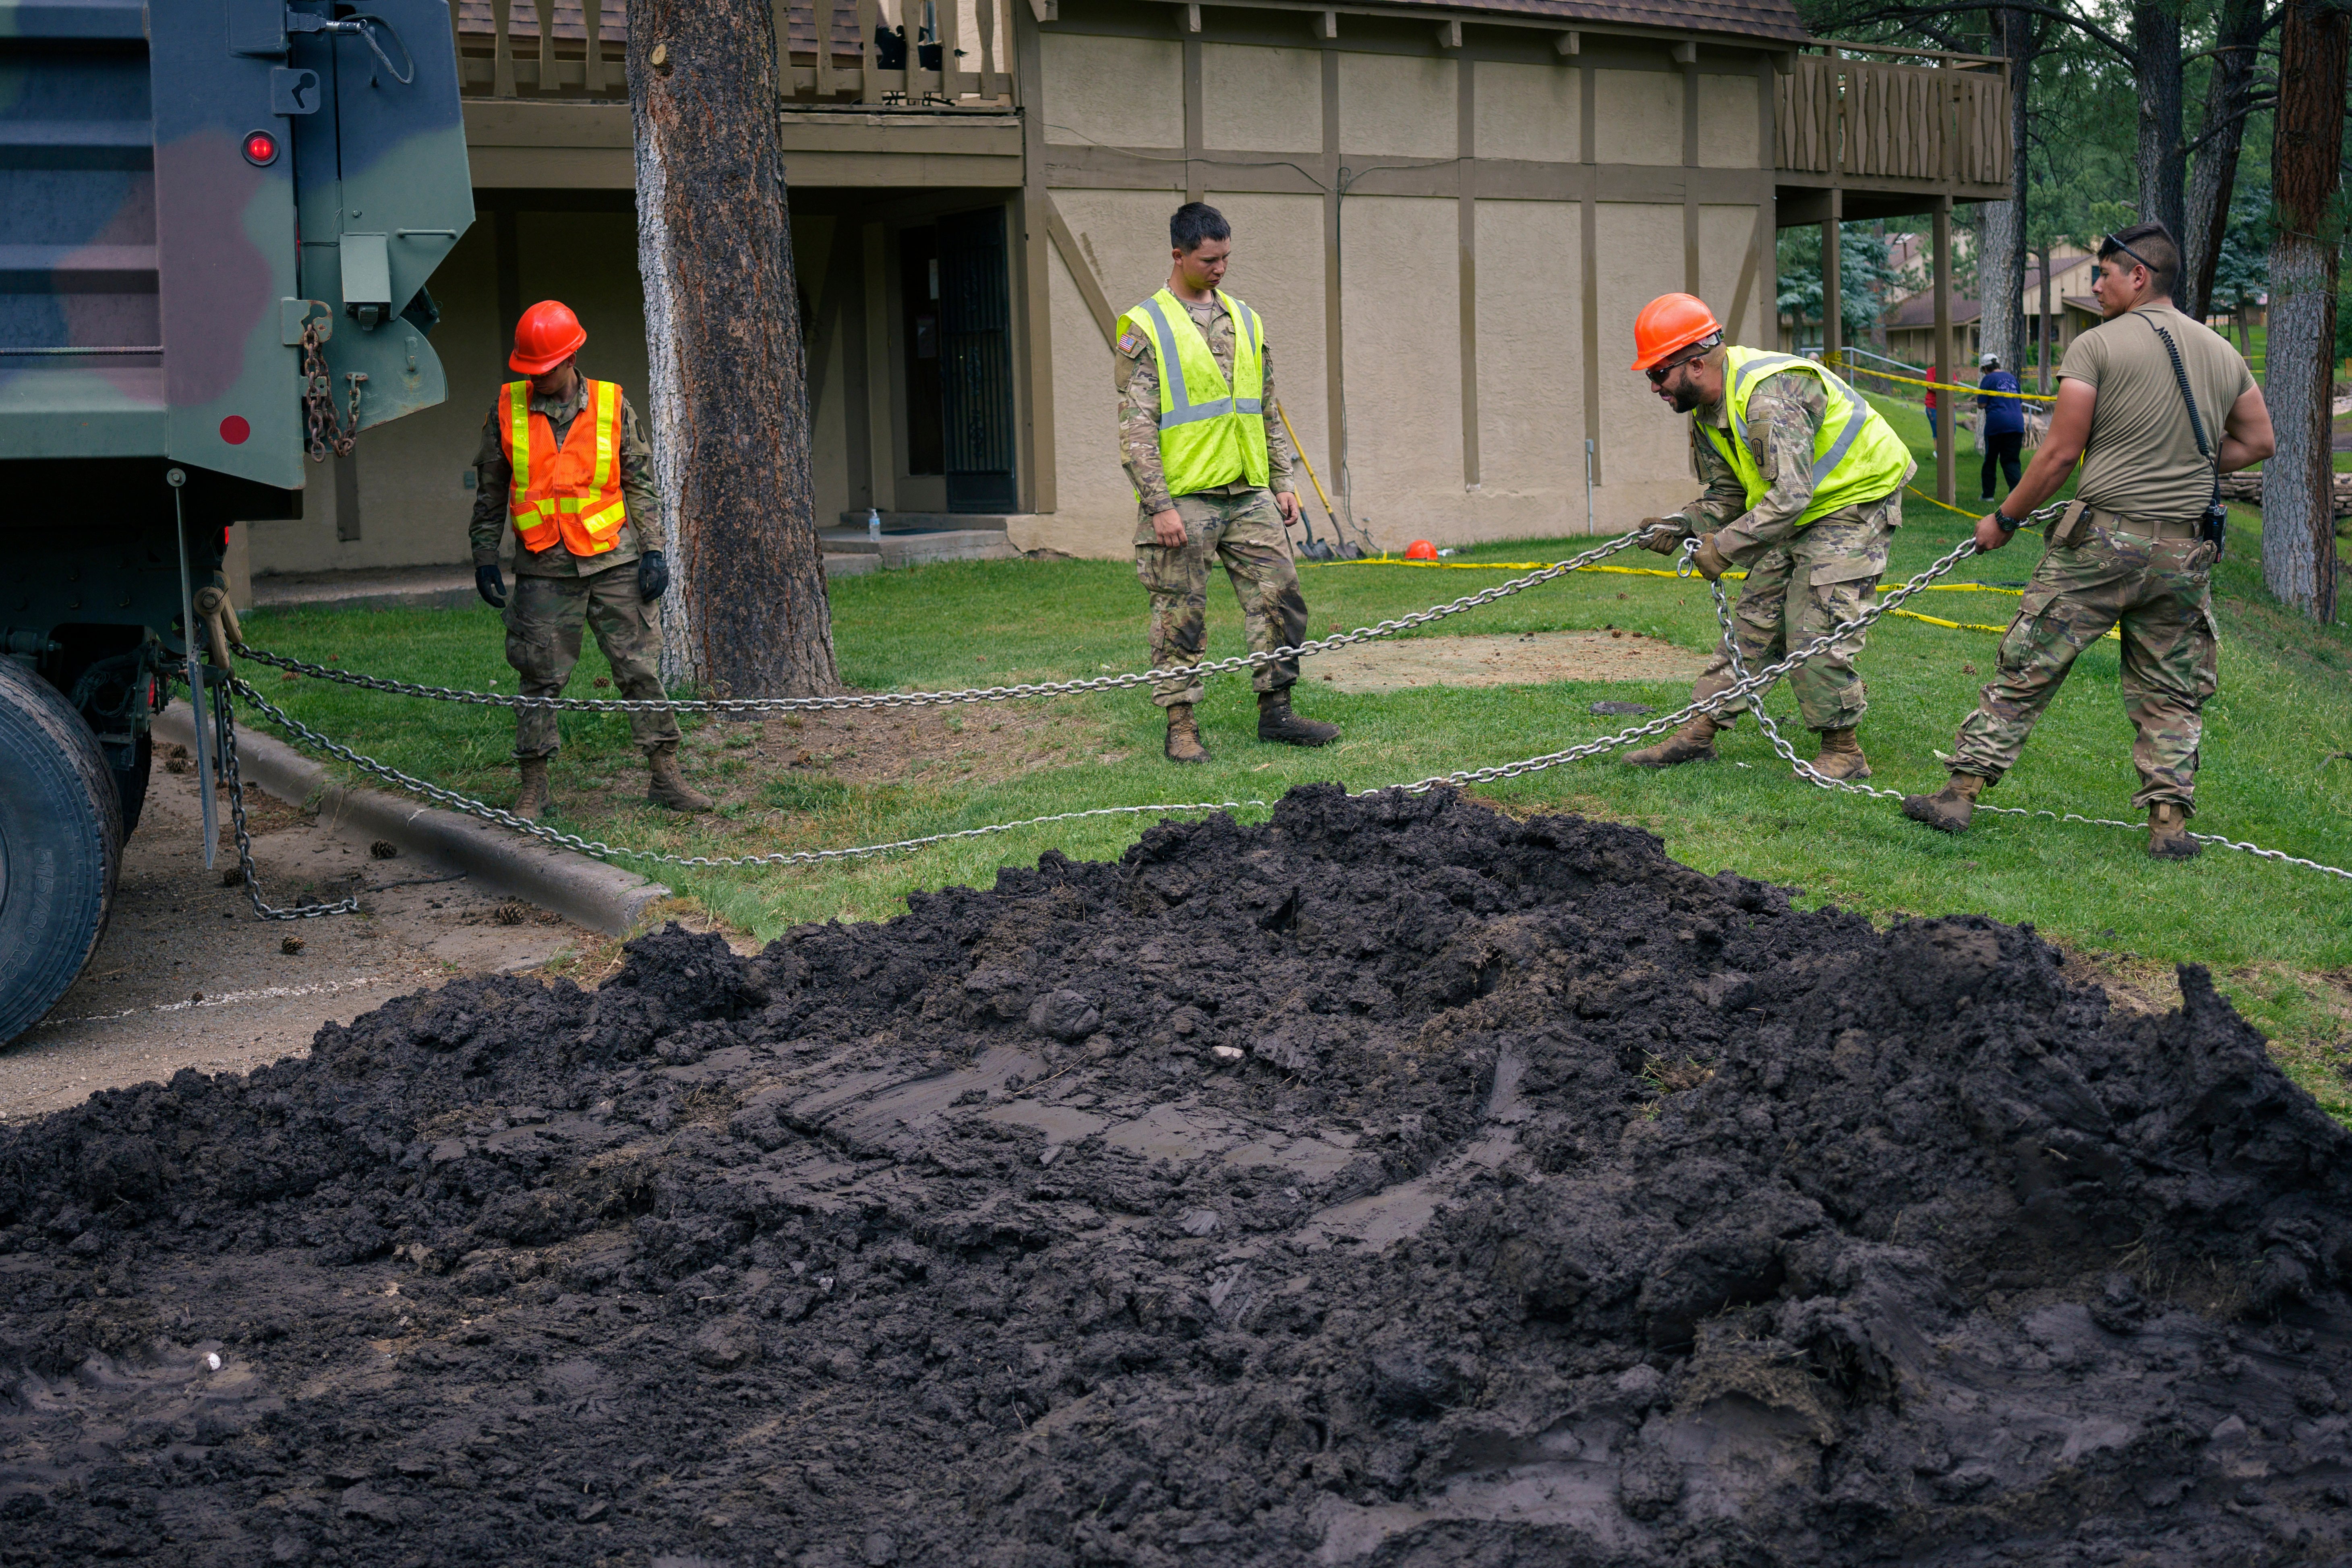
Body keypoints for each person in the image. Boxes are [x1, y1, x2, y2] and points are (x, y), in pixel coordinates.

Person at [1902, 222, 2273, 859]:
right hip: (2184, 555)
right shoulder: (2222, 351)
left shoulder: (2096, 348)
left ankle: (1959, 794)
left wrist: (2005, 519)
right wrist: (2183, 468)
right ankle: (2169, 827)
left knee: (2029, 664)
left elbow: (2058, 456)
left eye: (2104, 273)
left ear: (2140, 276)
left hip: (2102, 543)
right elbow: (2260, 442)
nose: (2095, 284)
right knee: (2172, 689)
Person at [1624, 294, 1917, 779]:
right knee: (1755, 619)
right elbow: (1729, 494)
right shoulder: (1708, 411)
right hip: (1797, 509)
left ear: (1695, 364)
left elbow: (1789, 496)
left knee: (1815, 622)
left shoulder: (1767, 397)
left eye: (1657, 373)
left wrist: (1723, 547)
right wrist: (1684, 524)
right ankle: (1698, 731)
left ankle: (1842, 749)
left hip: (1854, 501)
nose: (1653, 387)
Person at [468, 299, 712, 820]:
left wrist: (653, 552)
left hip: (614, 563)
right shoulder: (507, 408)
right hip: (543, 567)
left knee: (639, 668)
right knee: (538, 677)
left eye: (548, 367)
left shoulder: (611, 404)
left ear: (572, 354)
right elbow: (491, 491)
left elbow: (639, 483)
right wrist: (484, 555)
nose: (539, 378)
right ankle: (535, 786)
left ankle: (665, 776)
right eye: (530, 368)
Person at [1118, 202, 1338, 763]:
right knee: (1180, 613)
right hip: (1185, 499)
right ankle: (1182, 726)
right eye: (1209, 259)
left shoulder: (1246, 318)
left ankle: (1278, 713)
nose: (1220, 269)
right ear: (1179, 255)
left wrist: (1283, 481)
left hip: (1248, 493)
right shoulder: (1148, 324)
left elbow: (1266, 409)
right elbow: (1137, 427)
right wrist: (1158, 504)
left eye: (1226, 258)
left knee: (1281, 596)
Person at [1976, 351, 2027, 500]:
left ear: (1985, 369)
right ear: (1997, 365)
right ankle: (2016, 492)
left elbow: (1982, 404)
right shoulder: (2012, 378)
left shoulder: (1988, 379)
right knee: (2011, 460)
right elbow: (2020, 402)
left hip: (1997, 426)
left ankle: (1988, 495)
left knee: (1991, 460)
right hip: (2017, 424)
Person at [1924, 365, 1939, 439]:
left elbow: (1955, 382)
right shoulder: (1931, 371)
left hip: (1948, 406)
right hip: (1932, 406)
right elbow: (1930, 387)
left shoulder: (1948, 370)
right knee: (1937, 432)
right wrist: (1943, 390)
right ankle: (1938, 451)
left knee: (1952, 430)